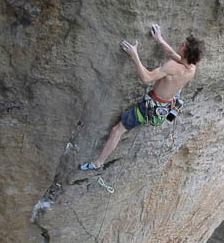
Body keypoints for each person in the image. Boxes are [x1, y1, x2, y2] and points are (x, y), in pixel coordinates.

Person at [79, 24, 205, 170]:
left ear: (187, 52)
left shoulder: (172, 67)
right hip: (165, 105)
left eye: (183, 45)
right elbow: (173, 55)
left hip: (149, 107)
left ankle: (98, 162)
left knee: (117, 130)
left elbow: (146, 78)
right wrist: (160, 39)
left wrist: (134, 55)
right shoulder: (191, 68)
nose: (179, 44)